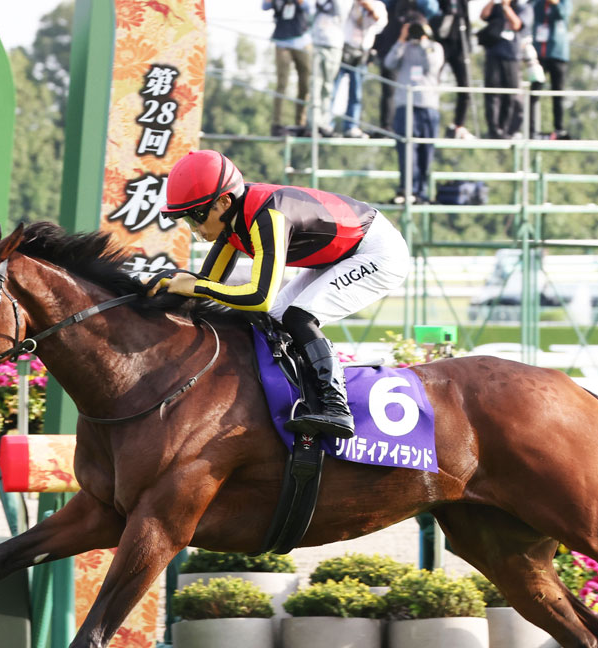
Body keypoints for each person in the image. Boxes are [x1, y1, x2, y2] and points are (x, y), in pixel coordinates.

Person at [153, 150, 412, 439]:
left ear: (224, 202)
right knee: (273, 322)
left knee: (298, 317)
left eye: (198, 215)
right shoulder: (230, 221)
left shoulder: (268, 217)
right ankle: (296, 396)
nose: (196, 228)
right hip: (341, 252)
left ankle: (337, 408)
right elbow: (207, 283)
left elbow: (258, 296)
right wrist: (163, 284)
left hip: (377, 251)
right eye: (187, 219)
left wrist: (196, 286)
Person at [384, 12, 444, 204]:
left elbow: (433, 65)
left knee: (426, 151)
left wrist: (424, 40)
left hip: (427, 105)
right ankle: (406, 189)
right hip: (405, 106)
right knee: (405, 150)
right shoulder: (404, 48)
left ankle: (422, 192)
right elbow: (388, 63)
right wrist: (402, 40)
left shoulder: (434, 47)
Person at [332, 0, 388, 137]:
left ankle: (351, 126)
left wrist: (368, 7)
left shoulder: (378, 6)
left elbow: (379, 23)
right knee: (333, 89)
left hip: (361, 53)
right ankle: (327, 124)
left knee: (356, 93)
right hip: (343, 49)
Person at [479, 0, 531, 139]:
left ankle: (507, 129)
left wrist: (506, 7)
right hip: (493, 55)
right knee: (492, 93)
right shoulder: (495, 7)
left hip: (511, 56)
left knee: (511, 95)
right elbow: (483, 16)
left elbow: (516, 24)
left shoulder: (523, 8)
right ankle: (493, 129)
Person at [265, 0, 314, 137]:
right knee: (282, 83)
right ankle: (277, 124)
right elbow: (265, 6)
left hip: (302, 41)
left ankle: (301, 123)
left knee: (305, 84)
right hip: (282, 42)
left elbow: (309, 7)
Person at [528, 0, 571, 139]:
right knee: (535, 91)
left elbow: (563, 15)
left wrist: (555, 3)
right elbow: (528, 9)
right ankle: (531, 129)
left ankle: (558, 129)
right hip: (539, 54)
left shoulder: (564, 2)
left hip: (557, 54)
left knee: (558, 93)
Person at [311, 0, 354, 137]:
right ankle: (313, 123)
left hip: (334, 44)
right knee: (315, 85)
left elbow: (343, 15)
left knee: (328, 87)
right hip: (317, 43)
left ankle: (324, 123)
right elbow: (309, 13)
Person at [434, 0, 474, 139]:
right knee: (433, 81)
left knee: (465, 85)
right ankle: (429, 119)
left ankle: (459, 125)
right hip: (441, 39)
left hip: (460, 43)